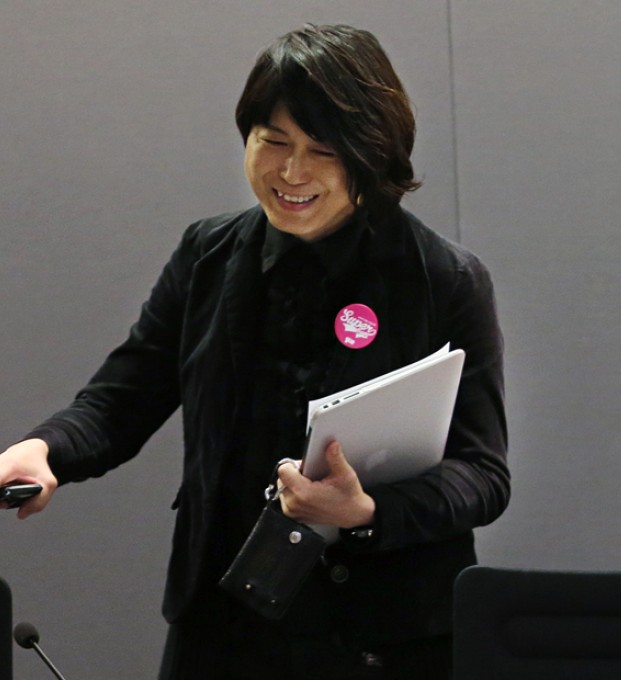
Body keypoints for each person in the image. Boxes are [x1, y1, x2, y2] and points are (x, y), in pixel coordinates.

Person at [0, 24, 509, 679]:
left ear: (373, 155)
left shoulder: (444, 280)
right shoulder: (208, 257)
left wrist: (367, 512)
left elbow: (482, 474)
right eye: (273, 141)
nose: (292, 173)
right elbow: (120, 400)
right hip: (223, 630)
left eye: (323, 150)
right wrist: (44, 451)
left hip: (384, 640)